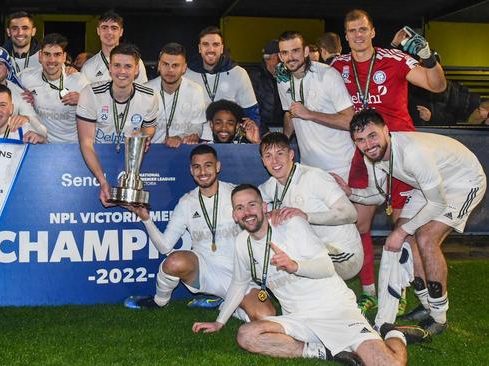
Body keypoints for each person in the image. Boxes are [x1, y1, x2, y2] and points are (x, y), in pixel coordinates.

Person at [192, 184, 426, 366]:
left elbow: (326, 267)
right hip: (299, 319)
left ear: (264, 207)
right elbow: (239, 283)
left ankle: (392, 331)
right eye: (240, 208)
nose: (247, 212)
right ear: (234, 215)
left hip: (335, 311)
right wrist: (219, 321)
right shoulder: (242, 242)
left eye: (252, 205)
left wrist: (296, 266)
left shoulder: (291, 225)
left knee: (387, 363)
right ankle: (319, 351)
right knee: (247, 335)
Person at [330, 9, 447, 313]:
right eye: (351, 30)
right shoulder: (337, 66)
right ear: (346, 36)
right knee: (359, 225)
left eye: (362, 29)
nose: (357, 35)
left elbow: (437, 86)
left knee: (405, 228)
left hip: (401, 155)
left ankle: (408, 290)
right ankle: (369, 290)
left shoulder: (392, 60)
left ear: (372, 32)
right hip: (365, 155)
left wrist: (428, 57)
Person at [334, 109, 486, 335]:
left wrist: (402, 231)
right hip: (428, 186)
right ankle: (426, 305)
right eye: (361, 140)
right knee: (405, 238)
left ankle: (439, 317)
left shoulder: (412, 153)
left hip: (464, 180)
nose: (368, 144)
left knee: (425, 238)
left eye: (372, 135)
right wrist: (351, 192)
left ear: (386, 131)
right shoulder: (372, 157)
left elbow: (437, 204)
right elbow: (376, 195)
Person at [124, 145, 275, 320]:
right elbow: (165, 247)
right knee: (174, 261)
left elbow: (264, 214)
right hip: (205, 272)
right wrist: (146, 218)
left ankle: (226, 304)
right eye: (197, 167)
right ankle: (160, 302)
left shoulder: (236, 194)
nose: (203, 171)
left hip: (240, 273)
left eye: (208, 165)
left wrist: (277, 213)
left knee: (265, 315)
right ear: (191, 170)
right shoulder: (187, 202)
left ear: (218, 166)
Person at [258, 132, 362, 280]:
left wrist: (307, 216)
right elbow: (251, 200)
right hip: (314, 249)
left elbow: (351, 213)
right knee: (265, 249)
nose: (274, 161)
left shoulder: (313, 176)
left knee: (285, 261)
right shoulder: (272, 185)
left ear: (291, 154)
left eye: (280, 153)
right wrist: (266, 212)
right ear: (263, 161)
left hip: (343, 254)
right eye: (268, 156)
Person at [76, 43, 159, 207]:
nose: (122, 71)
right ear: (110, 68)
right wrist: (102, 180)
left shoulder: (150, 96)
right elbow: (86, 143)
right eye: (117, 65)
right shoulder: (90, 93)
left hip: (129, 162)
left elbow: (149, 127)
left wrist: (144, 137)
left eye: (128, 66)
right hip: (94, 160)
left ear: (137, 70)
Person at [276, 31, 355, 181]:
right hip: (309, 168)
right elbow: (290, 113)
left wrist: (311, 114)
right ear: (280, 56)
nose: (290, 57)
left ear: (306, 51)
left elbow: (350, 122)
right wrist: (282, 140)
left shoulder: (328, 75)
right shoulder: (283, 80)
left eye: (295, 51)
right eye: (285, 53)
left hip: (341, 166)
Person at [185, 26, 259, 139]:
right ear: (199, 48)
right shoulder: (187, 74)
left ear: (222, 48)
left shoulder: (238, 73)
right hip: (194, 140)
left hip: (229, 140)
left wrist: (249, 139)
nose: (211, 49)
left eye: (215, 44)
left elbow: (252, 112)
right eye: (205, 44)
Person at [20, 33, 89, 143]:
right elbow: (5, 89)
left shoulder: (78, 81)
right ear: (40, 56)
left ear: (64, 57)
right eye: (47, 54)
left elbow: (98, 110)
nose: (52, 60)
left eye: (57, 55)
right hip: (40, 144)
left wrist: (84, 100)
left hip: (71, 146)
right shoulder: (26, 78)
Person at [145, 42, 205, 147]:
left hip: (182, 150)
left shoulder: (195, 90)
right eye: (165, 64)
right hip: (150, 151)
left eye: (175, 65)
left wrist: (181, 137)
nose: (170, 70)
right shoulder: (145, 90)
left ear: (184, 68)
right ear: (159, 65)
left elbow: (197, 126)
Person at [81, 11, 148, 84]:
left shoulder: (135, 62)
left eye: (114, 28)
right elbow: (86, 94)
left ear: (121, 32)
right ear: (98, 31)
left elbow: (143, 93)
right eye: (104, 28)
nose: (109, 32)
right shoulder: (88, 67)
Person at [247, 40, 284, 133]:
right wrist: (264, 132)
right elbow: (252, 109)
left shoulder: (290, 76)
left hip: (287, 128)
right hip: (263, 128)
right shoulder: (255, 77)